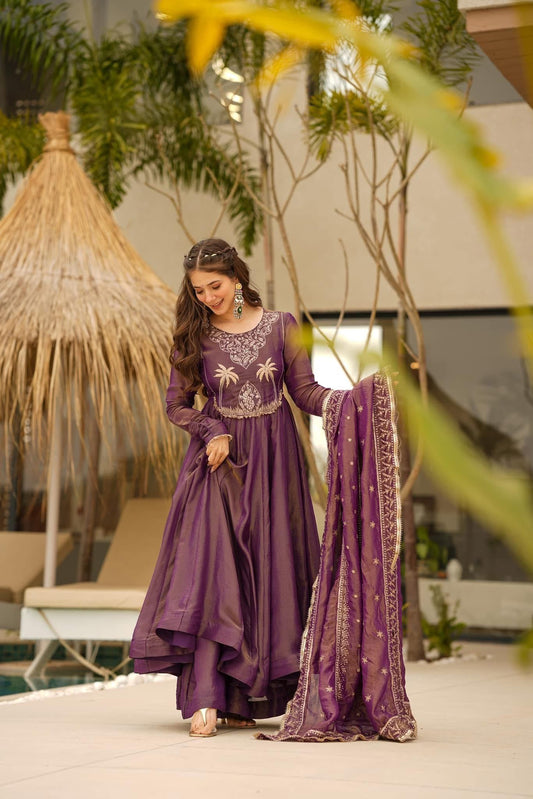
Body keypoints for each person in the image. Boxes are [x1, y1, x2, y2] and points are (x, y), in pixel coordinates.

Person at [130, 237, 331, 737]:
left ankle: (245, 697)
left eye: (214, 286)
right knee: (213, 572)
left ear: (236, 276)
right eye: (198, 290)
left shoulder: (282, 326)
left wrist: (353, 402)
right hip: (219, 465)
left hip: (275, 463)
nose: (207, 298)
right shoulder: (193, 336)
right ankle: (206, 698)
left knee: (266, 571)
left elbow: (303, 392)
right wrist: (211, 429)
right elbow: (176, 405)